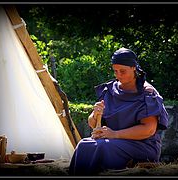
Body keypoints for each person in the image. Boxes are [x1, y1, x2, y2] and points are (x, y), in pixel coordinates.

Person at [69, 47, 168, 175]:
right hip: (113, 141)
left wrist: (115, 134)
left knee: (102, 147)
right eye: (115, 71)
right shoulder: (109, 90)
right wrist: (95, 115)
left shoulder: (147, 93)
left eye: (122, 71)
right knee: (84, 144)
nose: (118, 75)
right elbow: (92, 123)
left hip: (142, 146)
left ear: (134, 68)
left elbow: (148, 129)